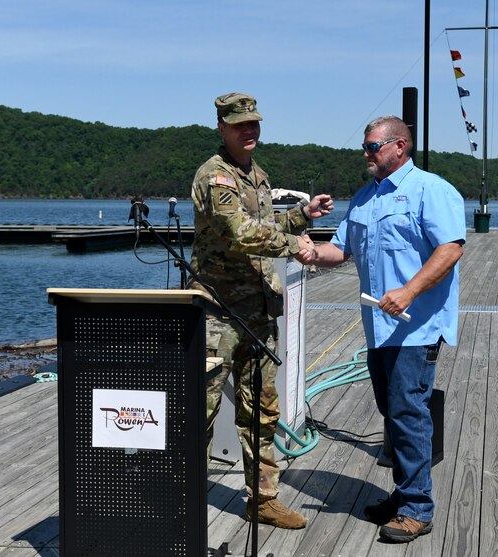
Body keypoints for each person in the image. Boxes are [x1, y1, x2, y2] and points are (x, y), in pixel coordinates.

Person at [298, 115, 465, 543]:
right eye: (365, 147)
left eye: (373, 146)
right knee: (394, 413)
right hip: (378, 328)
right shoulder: (364, 198)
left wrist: (409, 292)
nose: (366, 154)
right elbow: (341, 249)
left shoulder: (431, 190)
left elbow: (450, 249)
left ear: (399, 147)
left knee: (409, 413)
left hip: (416, 328)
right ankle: (403, 493)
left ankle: (416, 508)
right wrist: (309, 252)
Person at [188, 92, 333, 530]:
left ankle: (263, 498)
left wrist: (301, 216)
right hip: (216, 312)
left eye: (254, 123)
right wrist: (298, 248)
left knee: (261, 411)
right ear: (221, 127)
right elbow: (241, 233)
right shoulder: (216, 177)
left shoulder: (258, 176)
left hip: (256, 313)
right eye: (239, 125)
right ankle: (182, 499)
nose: (249, 130)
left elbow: (266, 226)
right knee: (201, 410)